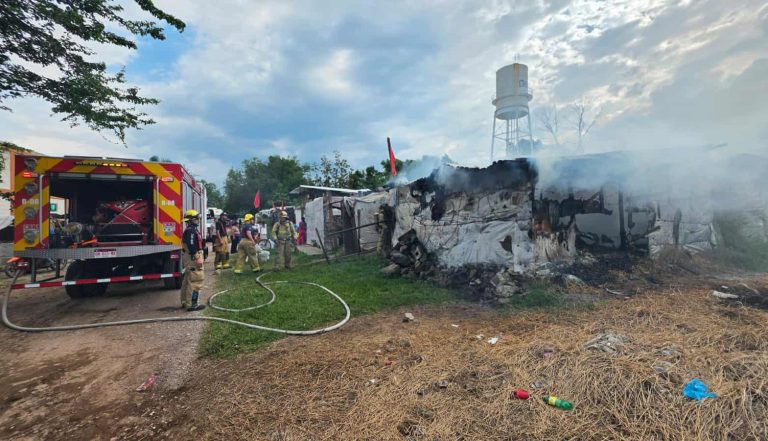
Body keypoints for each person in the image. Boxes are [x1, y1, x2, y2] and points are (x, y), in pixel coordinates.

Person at [181, 209, 206, 311]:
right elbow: (191, 245)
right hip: (193, 257)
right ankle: (192, 304)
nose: (198, 220)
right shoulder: (191, 231)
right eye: (196, 218)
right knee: (196, 279)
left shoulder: (190, 230)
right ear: (191, 220)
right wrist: (197, 257)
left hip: (190, 256)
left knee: (188, 280)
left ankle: (185, 301)